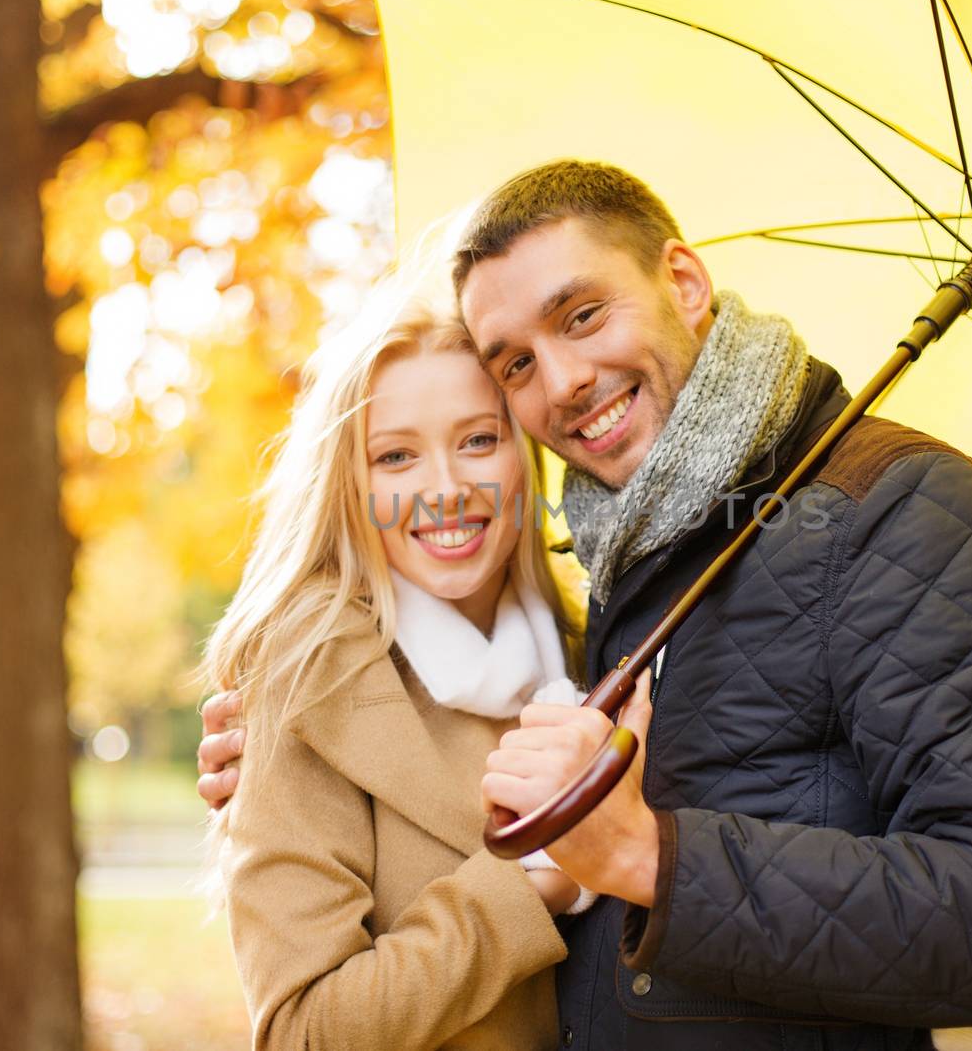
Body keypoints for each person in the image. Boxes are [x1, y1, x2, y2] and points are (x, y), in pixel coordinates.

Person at [202, 160, 972, 1050]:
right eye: (516, 363)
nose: (561, 383)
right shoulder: (627, 568)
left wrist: (643, 857)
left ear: (683, 281)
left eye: (583, 315)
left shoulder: (909, 513)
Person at [200, 249, 647, 1051]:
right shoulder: (306, 685)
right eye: (396, 456)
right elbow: (304, 1032)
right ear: (351, 485)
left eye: (478, 440)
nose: (444, 487)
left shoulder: (604, 650)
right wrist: (531, 879)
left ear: (525, 455)